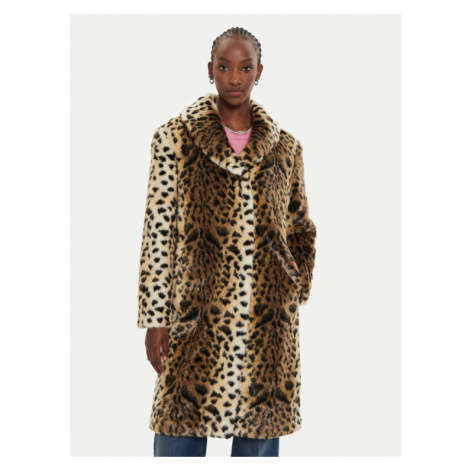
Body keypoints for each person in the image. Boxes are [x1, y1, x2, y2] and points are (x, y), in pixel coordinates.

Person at [137, 26, 317, 457]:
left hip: (267, 323)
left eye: (245, 68)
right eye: (224, 67)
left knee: (258, 439)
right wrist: (155, 319)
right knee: (178, 434)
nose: (234, 78)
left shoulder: (286, 149)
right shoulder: (174, 139)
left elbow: (300, 228)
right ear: (210, 70)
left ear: (259, 72)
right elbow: (157, 233)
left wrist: (292, 286)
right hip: (194, 316)